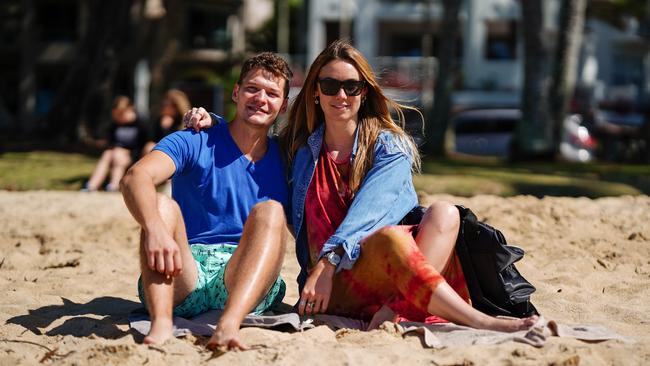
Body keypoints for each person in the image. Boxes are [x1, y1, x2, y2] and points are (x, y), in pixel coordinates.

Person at [186, 40, 537, 331]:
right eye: (329, 85)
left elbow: (372, 210)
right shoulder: (297, 149)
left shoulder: (390, 147)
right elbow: (251, 136)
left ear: (365, 93)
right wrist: (213, 122)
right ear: (315, 94)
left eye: (351, 86)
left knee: (444, 212)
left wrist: (330, 256)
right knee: (390, 238)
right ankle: (479, 321)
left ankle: (397, 308)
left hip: (380, 274)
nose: (341, 94)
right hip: (330, 289)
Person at [120, 52, 293, 350]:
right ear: (236, 93)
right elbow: (135, 177)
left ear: (283, 105)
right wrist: (155, 229)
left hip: (245, 273)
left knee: (272, 211)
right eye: (252, 88)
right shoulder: (194, 139)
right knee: (163, 206)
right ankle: (161, 323)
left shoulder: (288, 156)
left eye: (272, 93)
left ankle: (229, 324)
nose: (261, 99)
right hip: (185, 271)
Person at [84, 96, 145, 192]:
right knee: (108, 153)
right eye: (116, 114)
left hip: (133, 156)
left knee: (117, 154)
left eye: (121, 114)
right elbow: (110, 142)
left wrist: (127, 152)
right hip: (116, 154)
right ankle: (92, 185)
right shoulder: (114, 125)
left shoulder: (141, 124)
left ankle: (114, 185)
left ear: (130, 110)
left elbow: (144, 145)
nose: (119, 117)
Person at [142, 89, 191, 155]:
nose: (164, 107)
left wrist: (166, 129)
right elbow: (150, 138)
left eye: (167, 105)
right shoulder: (158, 120)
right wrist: (162, 127)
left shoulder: (185, 121)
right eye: (163, 104)